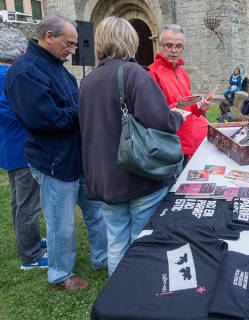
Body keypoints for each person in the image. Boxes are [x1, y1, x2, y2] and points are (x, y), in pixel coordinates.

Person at [5, 14, 108, 290]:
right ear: (49, 36)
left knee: (95, 210)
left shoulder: (56, 65)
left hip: (77, 155)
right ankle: (60, 274)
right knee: (61, 223)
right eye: (69, 44)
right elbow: (45, 119)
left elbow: (70, 104)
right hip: (54, 160)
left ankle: (104, 257)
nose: (73, 50)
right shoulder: (25, 71)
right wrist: (83, 111)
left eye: (75, 45)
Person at [79, 17, 184, 276]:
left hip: (104, 176)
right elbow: (162, 122)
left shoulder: (88, 80)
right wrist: (178, 115)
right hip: (137, 173)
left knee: (116, 241)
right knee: (142, 240)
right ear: (130, 41)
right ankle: (136, 297)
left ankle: (118, 298)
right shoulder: (134, 73)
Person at [0, 28, 47, 270]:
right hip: (22, 147)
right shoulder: (10, 76)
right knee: (28, 204)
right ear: (20, 52)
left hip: (9, 147)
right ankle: (31, 255)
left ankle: (30, 241)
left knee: (19, 202)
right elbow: (24, 112)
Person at [148, 24, 210, 168]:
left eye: (179, 46)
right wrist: (176, 107)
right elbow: (151, 115)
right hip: (167, 145)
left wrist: (201, 107)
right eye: (169, 45)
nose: (174, 50)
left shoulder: (183, 73)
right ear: (160, 45)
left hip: (186, 144)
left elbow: (190, 109)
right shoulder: (151, 73)